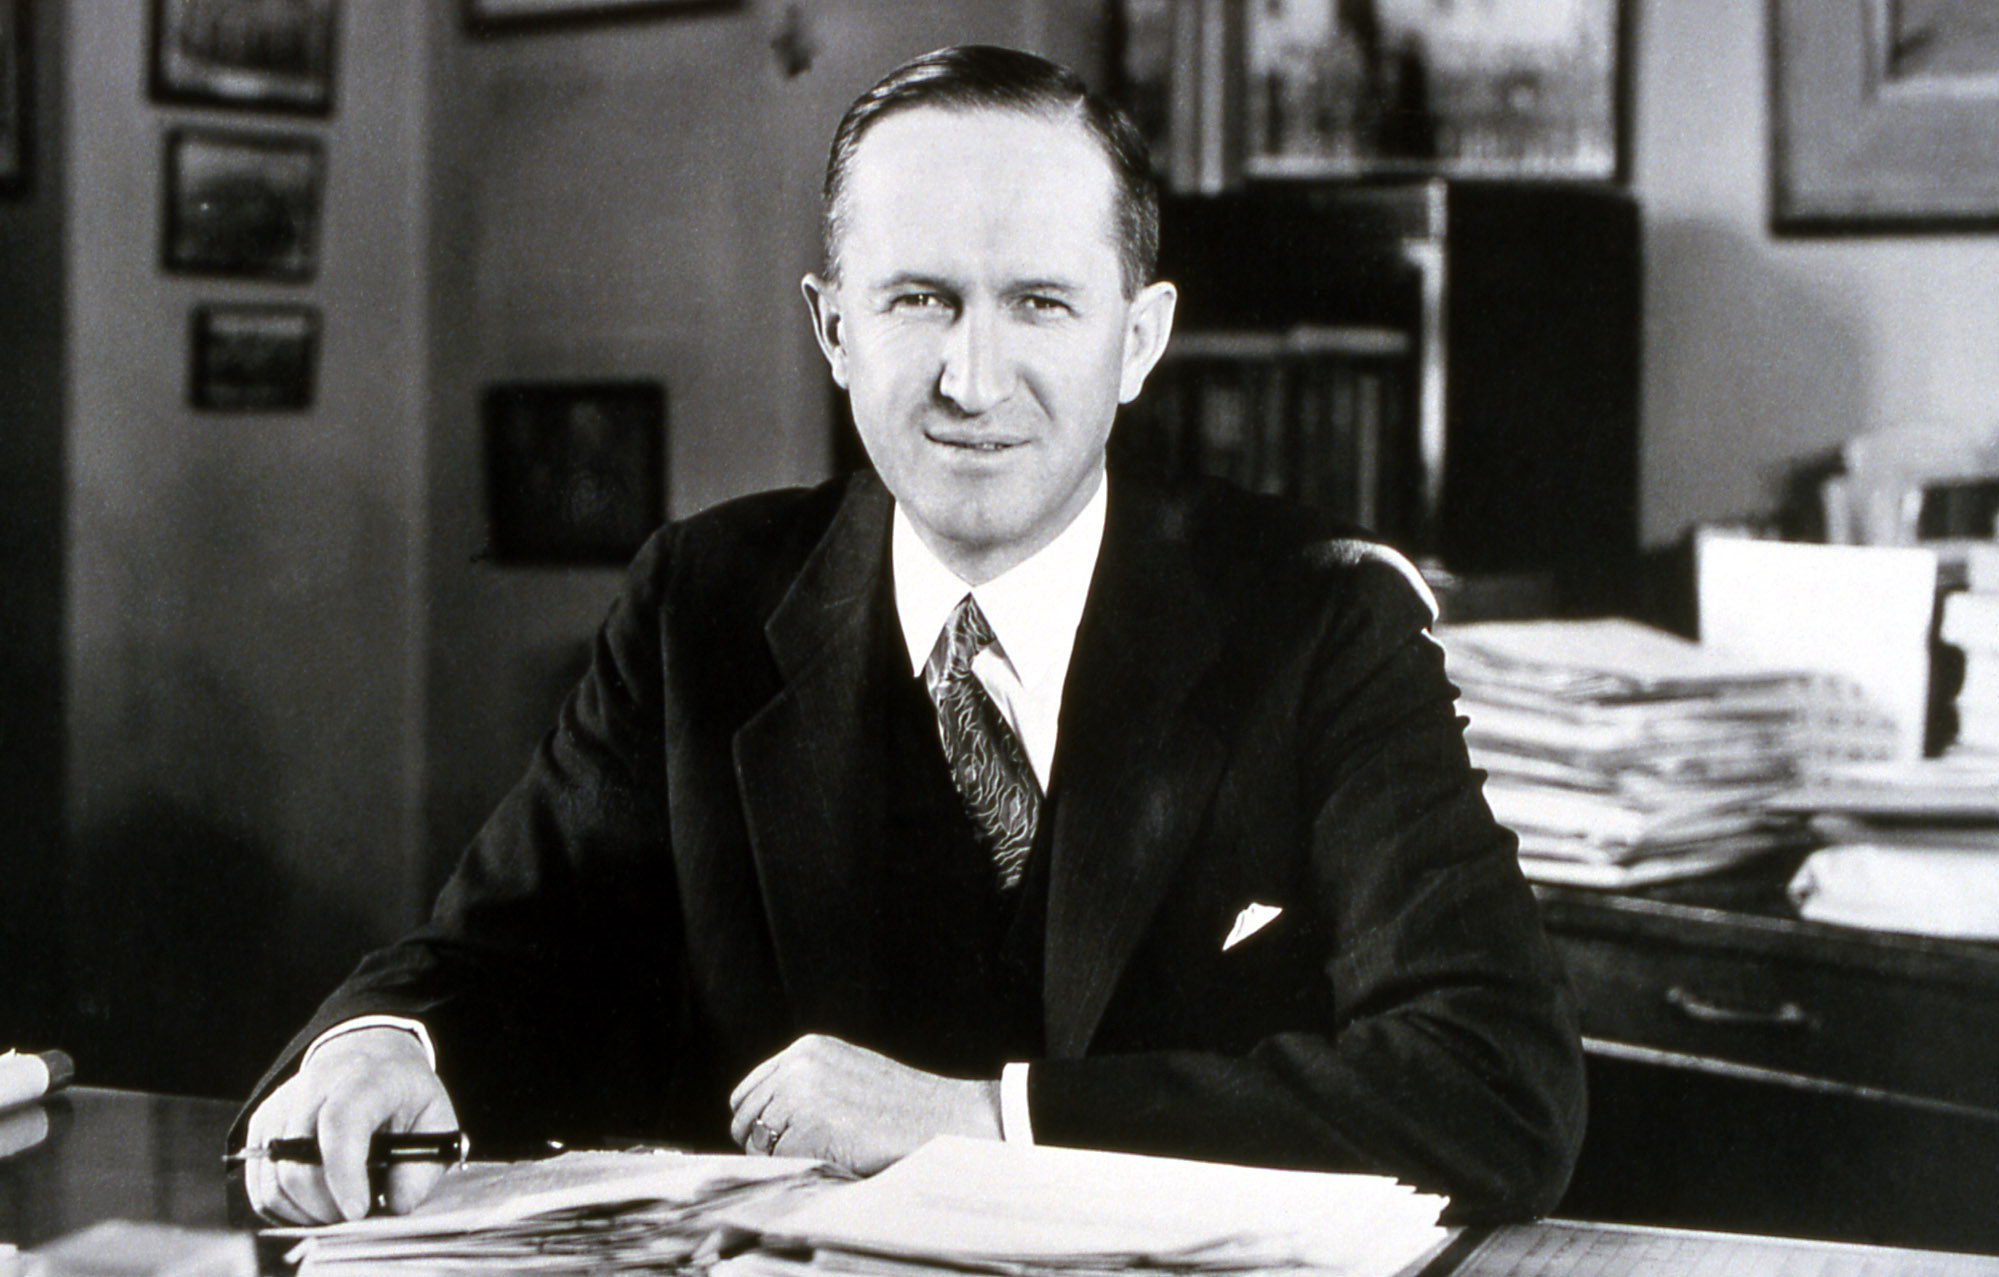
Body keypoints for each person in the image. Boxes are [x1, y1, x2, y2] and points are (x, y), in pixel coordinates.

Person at [238, 43, 1584, 1228]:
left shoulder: (1315, 616)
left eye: (1039, 304)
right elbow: (490, 956)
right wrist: (374, 1049)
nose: (972, 380)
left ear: (1140, 337)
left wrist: (987, 1120)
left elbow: (1493, 1081)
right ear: (833, 327)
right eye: (919, 300)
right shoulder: (699, 601)